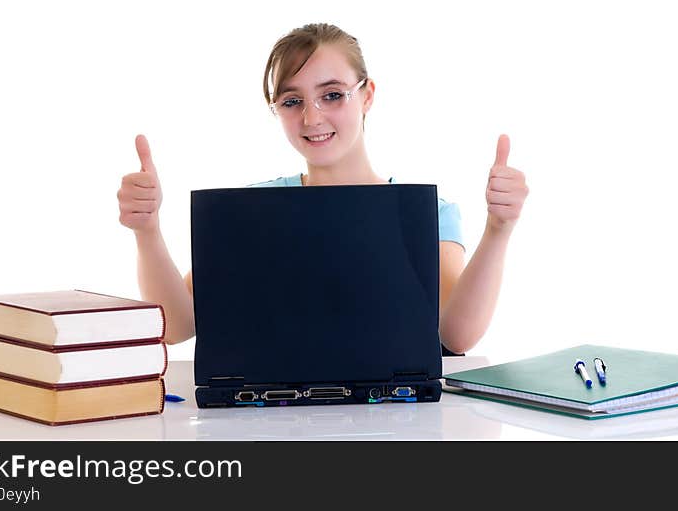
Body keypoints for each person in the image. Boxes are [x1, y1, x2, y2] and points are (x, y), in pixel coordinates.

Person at [117, 23, 528, 354]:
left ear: (366, 96)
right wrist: (147, 231)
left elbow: (457, 336)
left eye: (332, 95)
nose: (312, 118)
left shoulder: (426, 212)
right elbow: (177, 325)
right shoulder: (254, 209)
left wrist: (498, 229)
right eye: (292, 102)